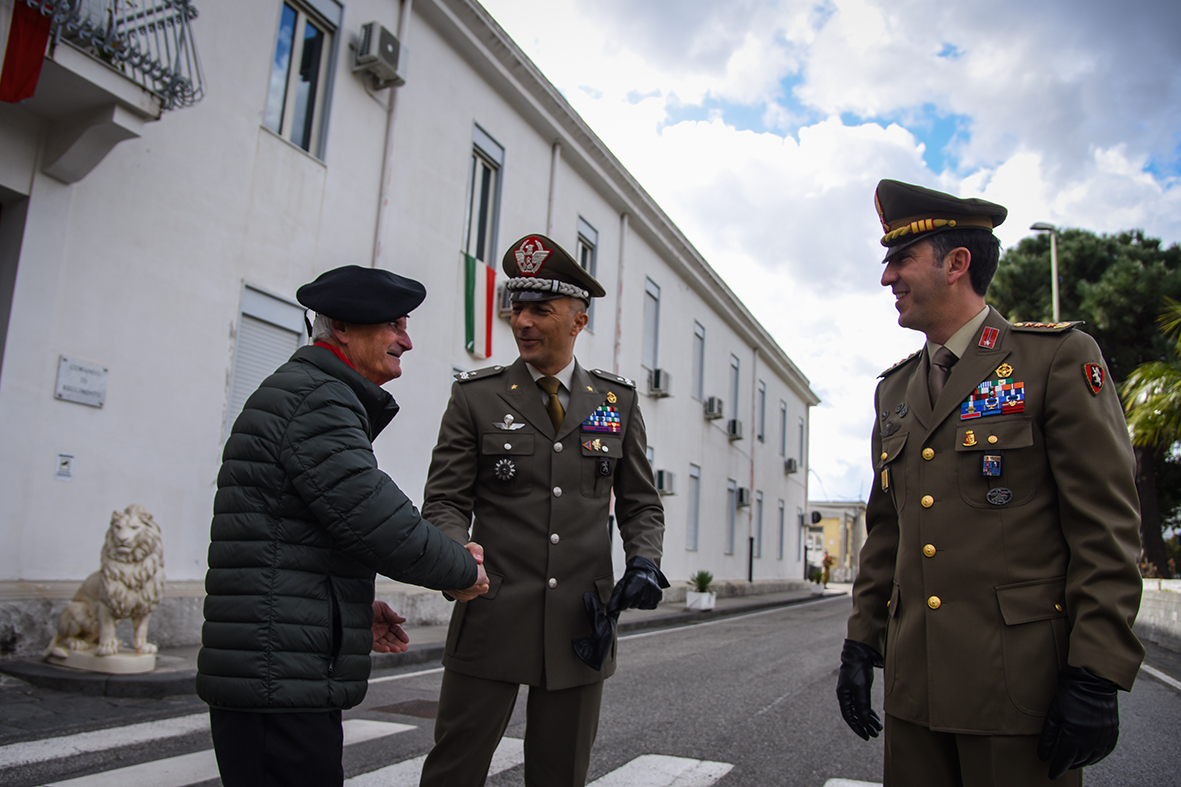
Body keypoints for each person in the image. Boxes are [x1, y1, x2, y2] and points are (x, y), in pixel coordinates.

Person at [836, 180, 1144, 787]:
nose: (887, 278)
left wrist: (1096, 672)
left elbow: (1105, 528)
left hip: (1017, 690)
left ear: (957, 263)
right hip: (914, 692)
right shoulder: (893, 391)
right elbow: (887, 532)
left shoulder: (1053, 359)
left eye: (900, 260)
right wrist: (861, 642)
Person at [197, 265, 489, 787]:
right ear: (344, 329)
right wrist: (461, 568)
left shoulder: (312, 392)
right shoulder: (318, 400)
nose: (408, 341)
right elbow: (377, 519)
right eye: (395, 325)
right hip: (276, 679)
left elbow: (301, 541)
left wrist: (352, 612)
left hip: (280, 669)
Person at [418, 234, 667, 787]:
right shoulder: (477, 397)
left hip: (581, 622)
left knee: (561, 775)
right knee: (454, 770)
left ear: (578, 321)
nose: (523, 321)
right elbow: (445, 499)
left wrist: (645, 560)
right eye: (517, 308)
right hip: (491, 611)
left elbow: (640, 501)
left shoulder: (613, 401)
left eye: (540, 310)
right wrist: (456, 550)